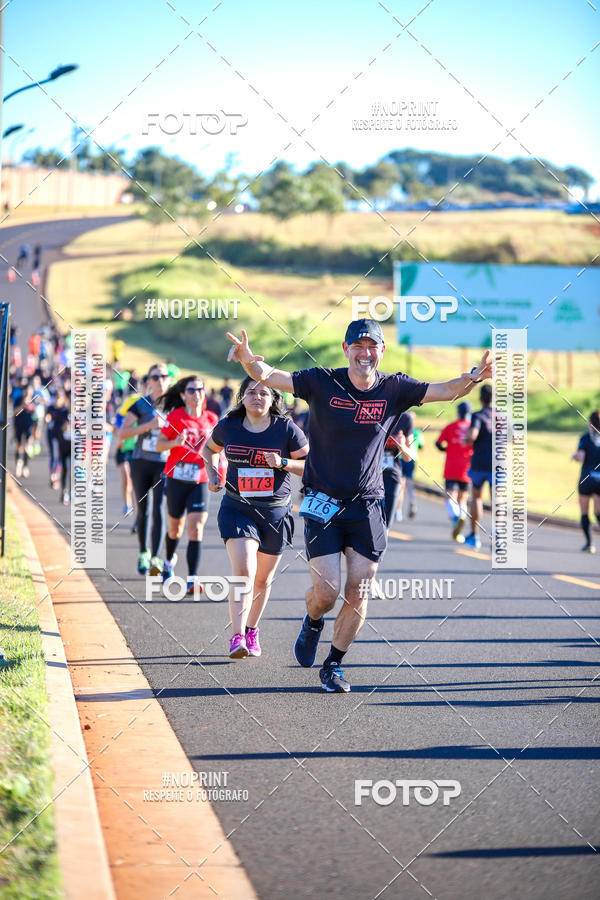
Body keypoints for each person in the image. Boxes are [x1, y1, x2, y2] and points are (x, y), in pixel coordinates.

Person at [226, 321, 492, 692]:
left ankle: (333, 664)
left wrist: (475, 377)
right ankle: (313, 620)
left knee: (359, 590)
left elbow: (447, 390)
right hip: (322, 500)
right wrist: (248, 363)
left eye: (372, 346)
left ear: (381, 351)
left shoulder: (395, 388)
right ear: (345, 348)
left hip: (367, 503)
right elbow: (270, 375)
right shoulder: (321, 381)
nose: (365, 353)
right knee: (327, 592)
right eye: (358, 345)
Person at [203, 377, 309, 659]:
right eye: (251, 392)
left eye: (264, 392)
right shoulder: (230, 425)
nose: (257, 397)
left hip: (275, 511)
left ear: (274, 398)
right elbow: (208, 449)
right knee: (244, 571)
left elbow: (311, 465)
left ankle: (252, 629)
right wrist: (213, 474)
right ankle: (236, 637)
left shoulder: (286, 429)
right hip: (238, 507)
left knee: (263, 580)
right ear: (242, 397)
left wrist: (284, 463)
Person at [156, 376, 218, 589]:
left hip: (200, 480)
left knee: (196, 527)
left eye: (200, 389)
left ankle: (192, 578)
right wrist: (175, 442)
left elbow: (217, 450)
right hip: (176, 479)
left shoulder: (212, 419)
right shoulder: (175, 416)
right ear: (183, 395)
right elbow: (158, 445)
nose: (196, 394)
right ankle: (168, 561)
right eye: (191, 390)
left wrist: (216, 472)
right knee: (175, 530)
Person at [118, 364, 170, 574]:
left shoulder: (177, 405)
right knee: (144, 510)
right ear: (149, 381)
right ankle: (143, 552)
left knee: (159, 508)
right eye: (155, 377)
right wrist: (148, 426)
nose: (160, 381)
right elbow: (123, 433)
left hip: (164, 462)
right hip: (141, 462)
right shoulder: (141, 404)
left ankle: (157, 558)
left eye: (164, 376)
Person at [435, 401, 473, 542]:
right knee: (462, 498)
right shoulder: (472, 428)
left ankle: (456, 517)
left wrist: (448, 450)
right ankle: (461, 517)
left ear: (458, 413)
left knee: (449, 496)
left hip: (451, 466)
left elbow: (438, 443)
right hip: (467, 467)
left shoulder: (451, 427)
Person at [464, 383, 493, 549]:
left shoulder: (478, 416)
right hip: (499, 463)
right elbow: (515, 438)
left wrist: (467, 439)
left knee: (477, 498)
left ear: (480, 399)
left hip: (480, 464)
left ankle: (475, 535)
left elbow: (472, 435)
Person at [572, 410, 600, 553]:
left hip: (586, 478)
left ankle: (589, 543)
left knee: (584, 511)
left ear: (590, 423)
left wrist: (574, 456)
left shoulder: (585, 438)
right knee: (598, 512)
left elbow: (580, 457)